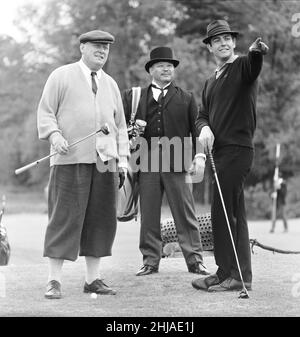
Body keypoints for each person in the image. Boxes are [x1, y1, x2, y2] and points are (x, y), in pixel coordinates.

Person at [37, 30, 129, 299]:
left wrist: (122, 162)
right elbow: (46, 112)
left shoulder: (111, 84)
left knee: (101, 221)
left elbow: (121, 127)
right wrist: (54, 135)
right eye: (97, 46)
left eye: (106, 48)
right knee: (63, 219)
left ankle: (93, 279)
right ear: (82, 48)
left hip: (104, 164)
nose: (102, 51)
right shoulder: (61, 76)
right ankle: (54, 281)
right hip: (69, 160)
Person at [192, 20, 269, 292]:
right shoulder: (210, 80)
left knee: (224, 214)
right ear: (210, 47)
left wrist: (256, 52)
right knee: (231, 213)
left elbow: (253, 64)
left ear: (233, 43)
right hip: (219, 154)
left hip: (238, 150)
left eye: (227, 38)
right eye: (217, 40)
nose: (223, 42)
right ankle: (232, 273)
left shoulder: (243, 67)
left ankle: (233, 273)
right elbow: (201, 116)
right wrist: (204, 128)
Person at [122, 46, 209, 276]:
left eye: (170, 66)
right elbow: (121, 130)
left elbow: (197, 130)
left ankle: (195, 260)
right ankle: (150, 260)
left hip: (178, 161)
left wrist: (200, 156)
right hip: (146, 162)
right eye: (161, 65)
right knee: (149, 215)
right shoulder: (134, 98)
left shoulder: (187, 98)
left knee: (185, 213)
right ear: (151, 69)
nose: (166, 69)